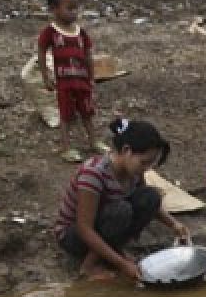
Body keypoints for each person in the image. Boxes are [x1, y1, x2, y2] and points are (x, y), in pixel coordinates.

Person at [54, 118, 190, 280]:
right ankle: (89, 266)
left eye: (150, 164)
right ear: (126, 150)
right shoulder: (94, 173)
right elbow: (85, 229)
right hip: (74, 235)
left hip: (107, 224)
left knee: (150, 197)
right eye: (144, 162)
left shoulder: (134, 172)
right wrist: (122, 264)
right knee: (121, 211)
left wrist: (173, 223)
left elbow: (145, 199)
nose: (146, 168)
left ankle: (111, 251)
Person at [37, 0, 105, 162]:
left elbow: (88, 54)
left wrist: (91, 76)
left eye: (76, 7)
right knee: (66, 114)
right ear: (54, 9)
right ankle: (66, 147)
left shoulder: (80, 32)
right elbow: (42, 51)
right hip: (64, 83)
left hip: (82, 81)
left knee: (87, 112)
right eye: (69, 8)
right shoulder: (50, 32)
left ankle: (93, 141)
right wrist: (45, 76)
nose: (74, 12)